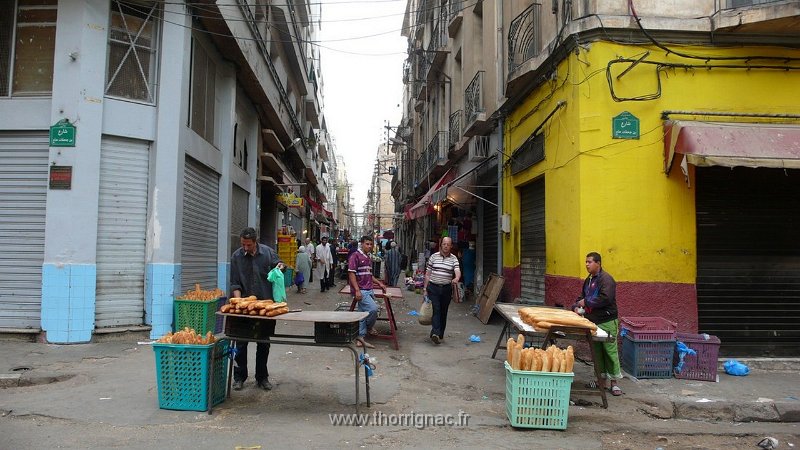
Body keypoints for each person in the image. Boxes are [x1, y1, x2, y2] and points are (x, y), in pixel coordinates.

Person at [230, 227, 284, 391]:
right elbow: (235, 283)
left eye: (248, 245)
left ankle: (262, 377)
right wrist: (239, 304)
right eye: (243, 245)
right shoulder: (236, 257)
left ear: (255, 242)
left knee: (263, 343)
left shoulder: (268, 253)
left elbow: (279, 265)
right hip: (245, 308)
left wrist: (280, 267)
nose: (245, 248)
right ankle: (239, 377)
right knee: (240, 344)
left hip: (265, 307)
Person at [572, 252, 623, 396]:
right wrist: (576, 305)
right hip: (592, 320)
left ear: (598, 263)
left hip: (607, 320)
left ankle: (614, 383)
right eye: (586, 262)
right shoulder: (588, 280)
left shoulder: (606, 280)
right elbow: (582, 297)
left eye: (590, 262)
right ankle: (601, 381)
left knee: (610, 351)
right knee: (597, 352)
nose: (587, 264)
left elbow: (605, 299)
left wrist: (586, 302)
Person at [347, 235, 387, 349]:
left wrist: (379, 283)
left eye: (371, 244)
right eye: (367, 244)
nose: (369, 246)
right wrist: (357, 290)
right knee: (373, 309)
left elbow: (369, 274)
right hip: (362, 290)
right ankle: (369, 328)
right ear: (362, 244)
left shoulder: (368, 257)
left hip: (369, 289)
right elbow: (351, 273)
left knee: (363, 314)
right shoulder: (355, 256)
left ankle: (360, 338)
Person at [423, 237, 461, 345]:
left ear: (451, 246)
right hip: (433, 287)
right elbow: (427, 274)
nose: (445, 246)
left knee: (443, 312)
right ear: (441, 245)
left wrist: (457, 278)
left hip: (446, 289)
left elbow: (457, 271)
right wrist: (425, 289)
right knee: (437, 309)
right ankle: (435, 332)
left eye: (448, 244)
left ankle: (439, 333)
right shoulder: (433, 257)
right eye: (444, 244)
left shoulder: (454, 258)